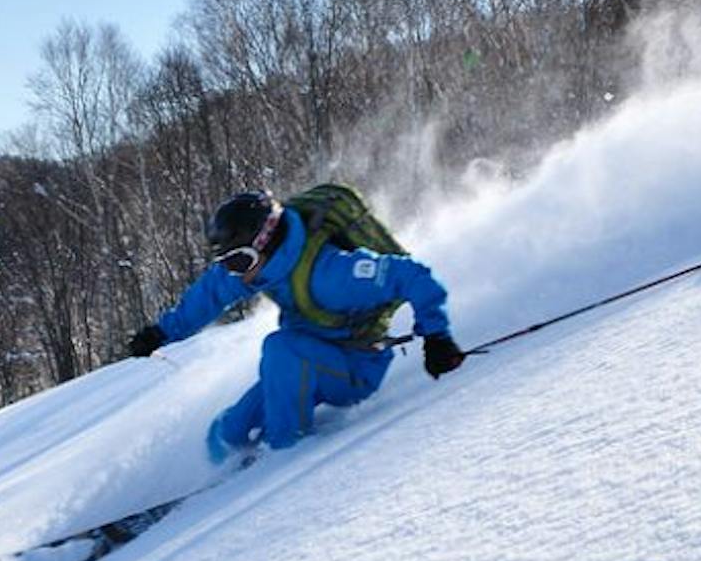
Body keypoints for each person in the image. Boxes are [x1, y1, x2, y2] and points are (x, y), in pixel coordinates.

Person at [127, 188, 465, 459]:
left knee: (279, 348)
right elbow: (212, 290)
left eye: (239, 260)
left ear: (265, 243)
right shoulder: (258, 269)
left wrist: (438, 337)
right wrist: (162, 332)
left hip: (355, 367)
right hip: (305, 357)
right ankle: (223, 474)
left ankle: (286, 454)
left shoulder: (332, 274)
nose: (234, 272)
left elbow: (412, 275)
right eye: (228, 262)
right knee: (228, 430)